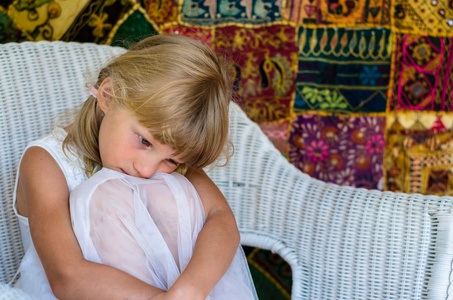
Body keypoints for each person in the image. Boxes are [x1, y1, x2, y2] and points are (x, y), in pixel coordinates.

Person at [13, 34, 254, 299]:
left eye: (172, 160)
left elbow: (221, 218)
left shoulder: (169, 151)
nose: (147, 170)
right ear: (108, 95)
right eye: (143, 141)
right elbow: (67, 277)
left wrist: (190, 290)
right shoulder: (46, 162)